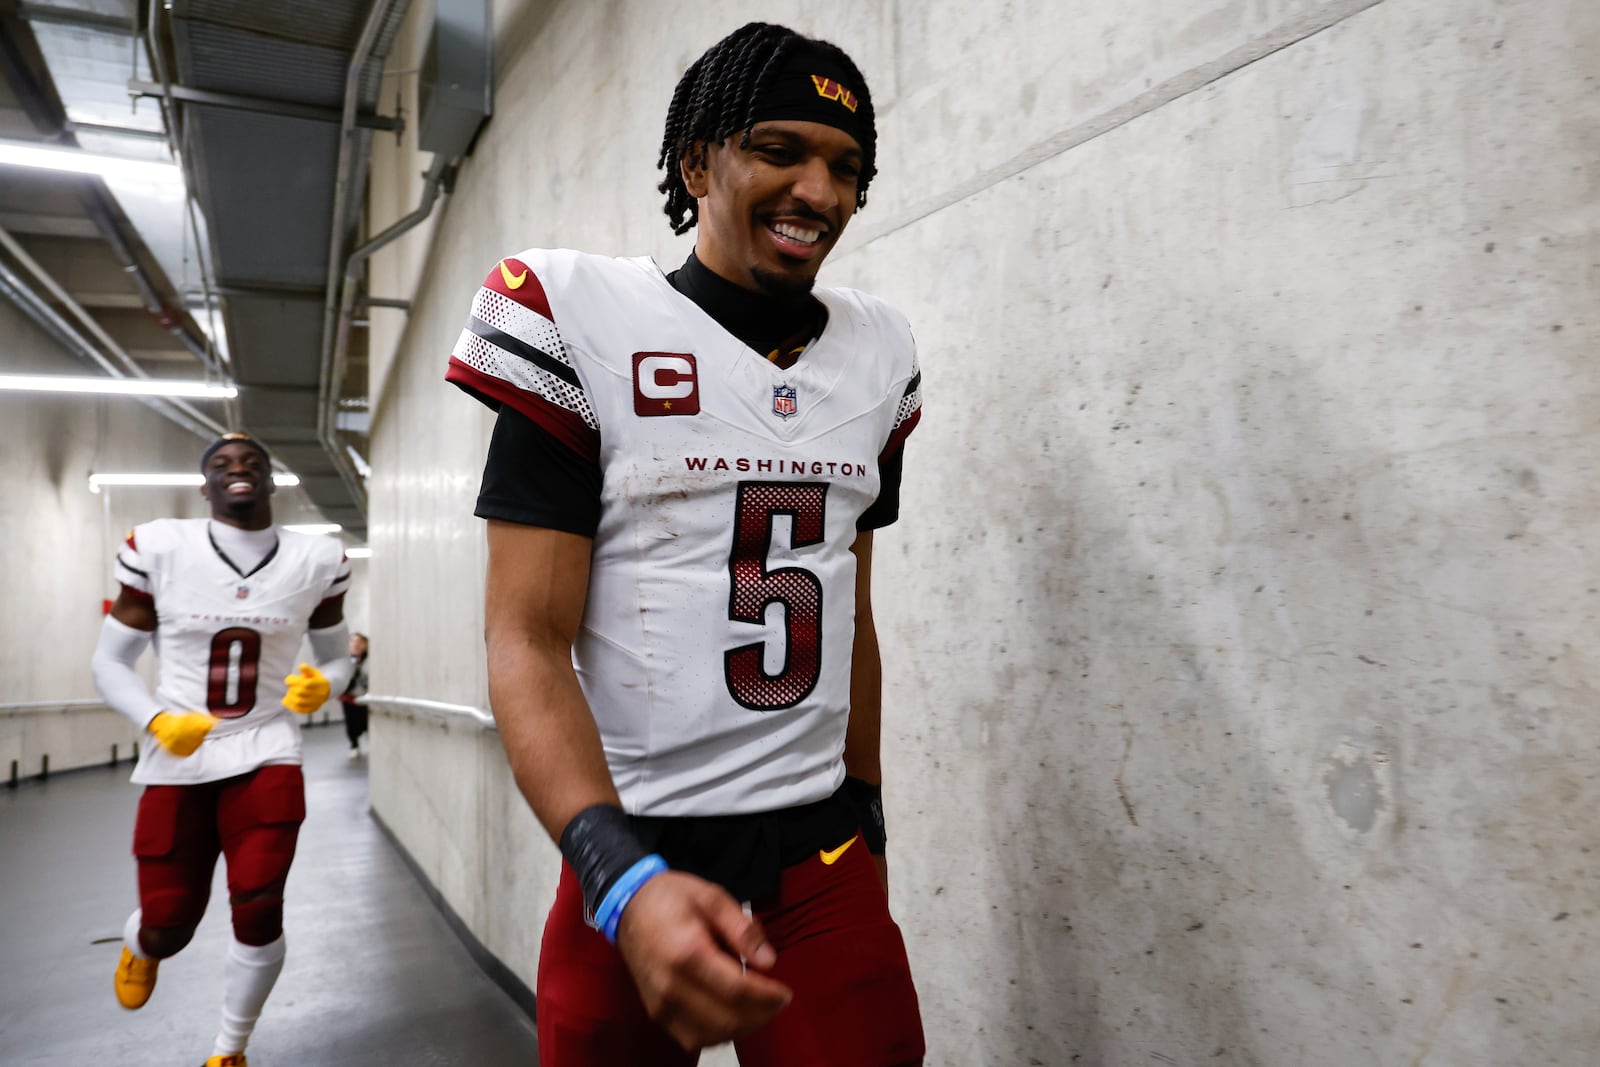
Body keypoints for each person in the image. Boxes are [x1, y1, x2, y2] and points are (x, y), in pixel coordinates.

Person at [444, 21, 924, 1066]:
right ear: (696, 161)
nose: (819, 190)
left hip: (816, 847)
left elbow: (852, 614)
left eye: (845, 167)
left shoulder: (878, 353)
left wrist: (870, 813)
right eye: (779, 148)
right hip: (635, 846)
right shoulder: (576, 316)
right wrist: (617, 871)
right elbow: (524, 638)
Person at [90, 432, 353, 1067]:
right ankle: (143, 946)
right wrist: (155, 719)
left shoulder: (315, 558)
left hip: (267, 747)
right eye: (222, 464)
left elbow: (338, 657)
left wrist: (328, 684)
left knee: (260, 901)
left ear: (271, 481)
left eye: (252, 463)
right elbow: (109, 661)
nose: (238, 471)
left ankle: (229, 1049)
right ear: (204, 483)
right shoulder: (160, 548)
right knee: (169, 921)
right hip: (179, 754)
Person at [339, 632, 370, 758]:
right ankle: (354, 745)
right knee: (351, 723)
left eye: (359, 642)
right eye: (353, 641)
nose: (356, 644)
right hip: (349, 697)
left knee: (366, 721)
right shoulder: (345, 659)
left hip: (365, 696)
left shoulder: (369, 660)